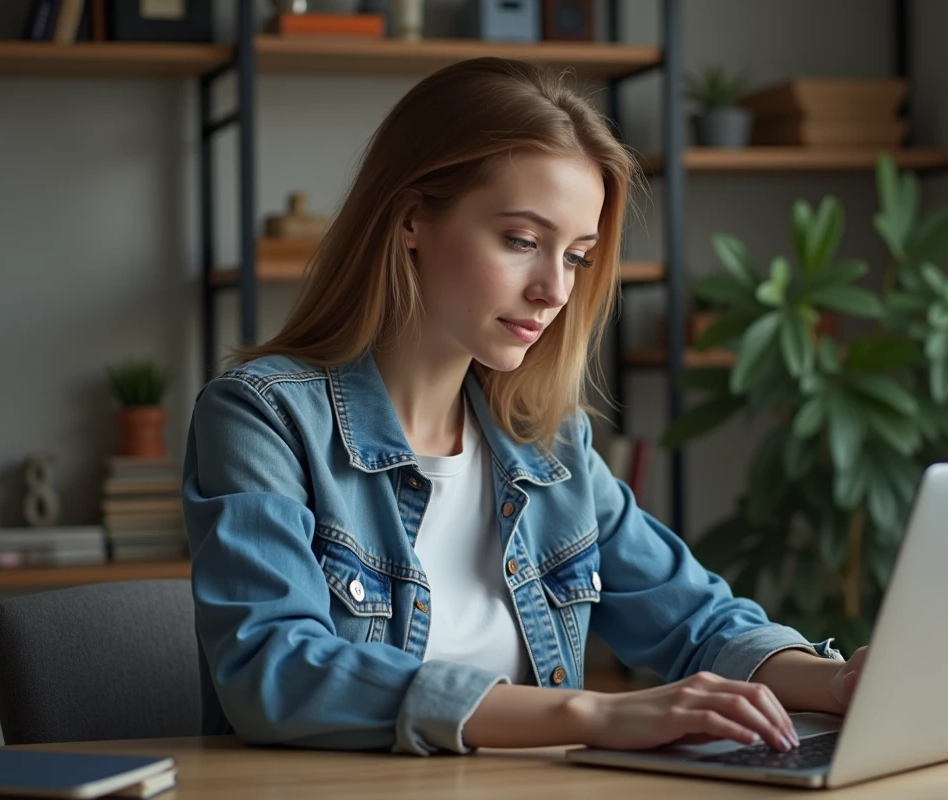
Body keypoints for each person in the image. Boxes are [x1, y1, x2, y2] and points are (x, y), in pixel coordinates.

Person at [182, 57, 867, 758]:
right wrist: (591, 715)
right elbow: (274, 669)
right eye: (521, 241)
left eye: (576, 256)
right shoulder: (263, 416)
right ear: (413, 218)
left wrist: (839, 681)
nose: (553, 290)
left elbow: (696, 620)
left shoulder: (550, 446)